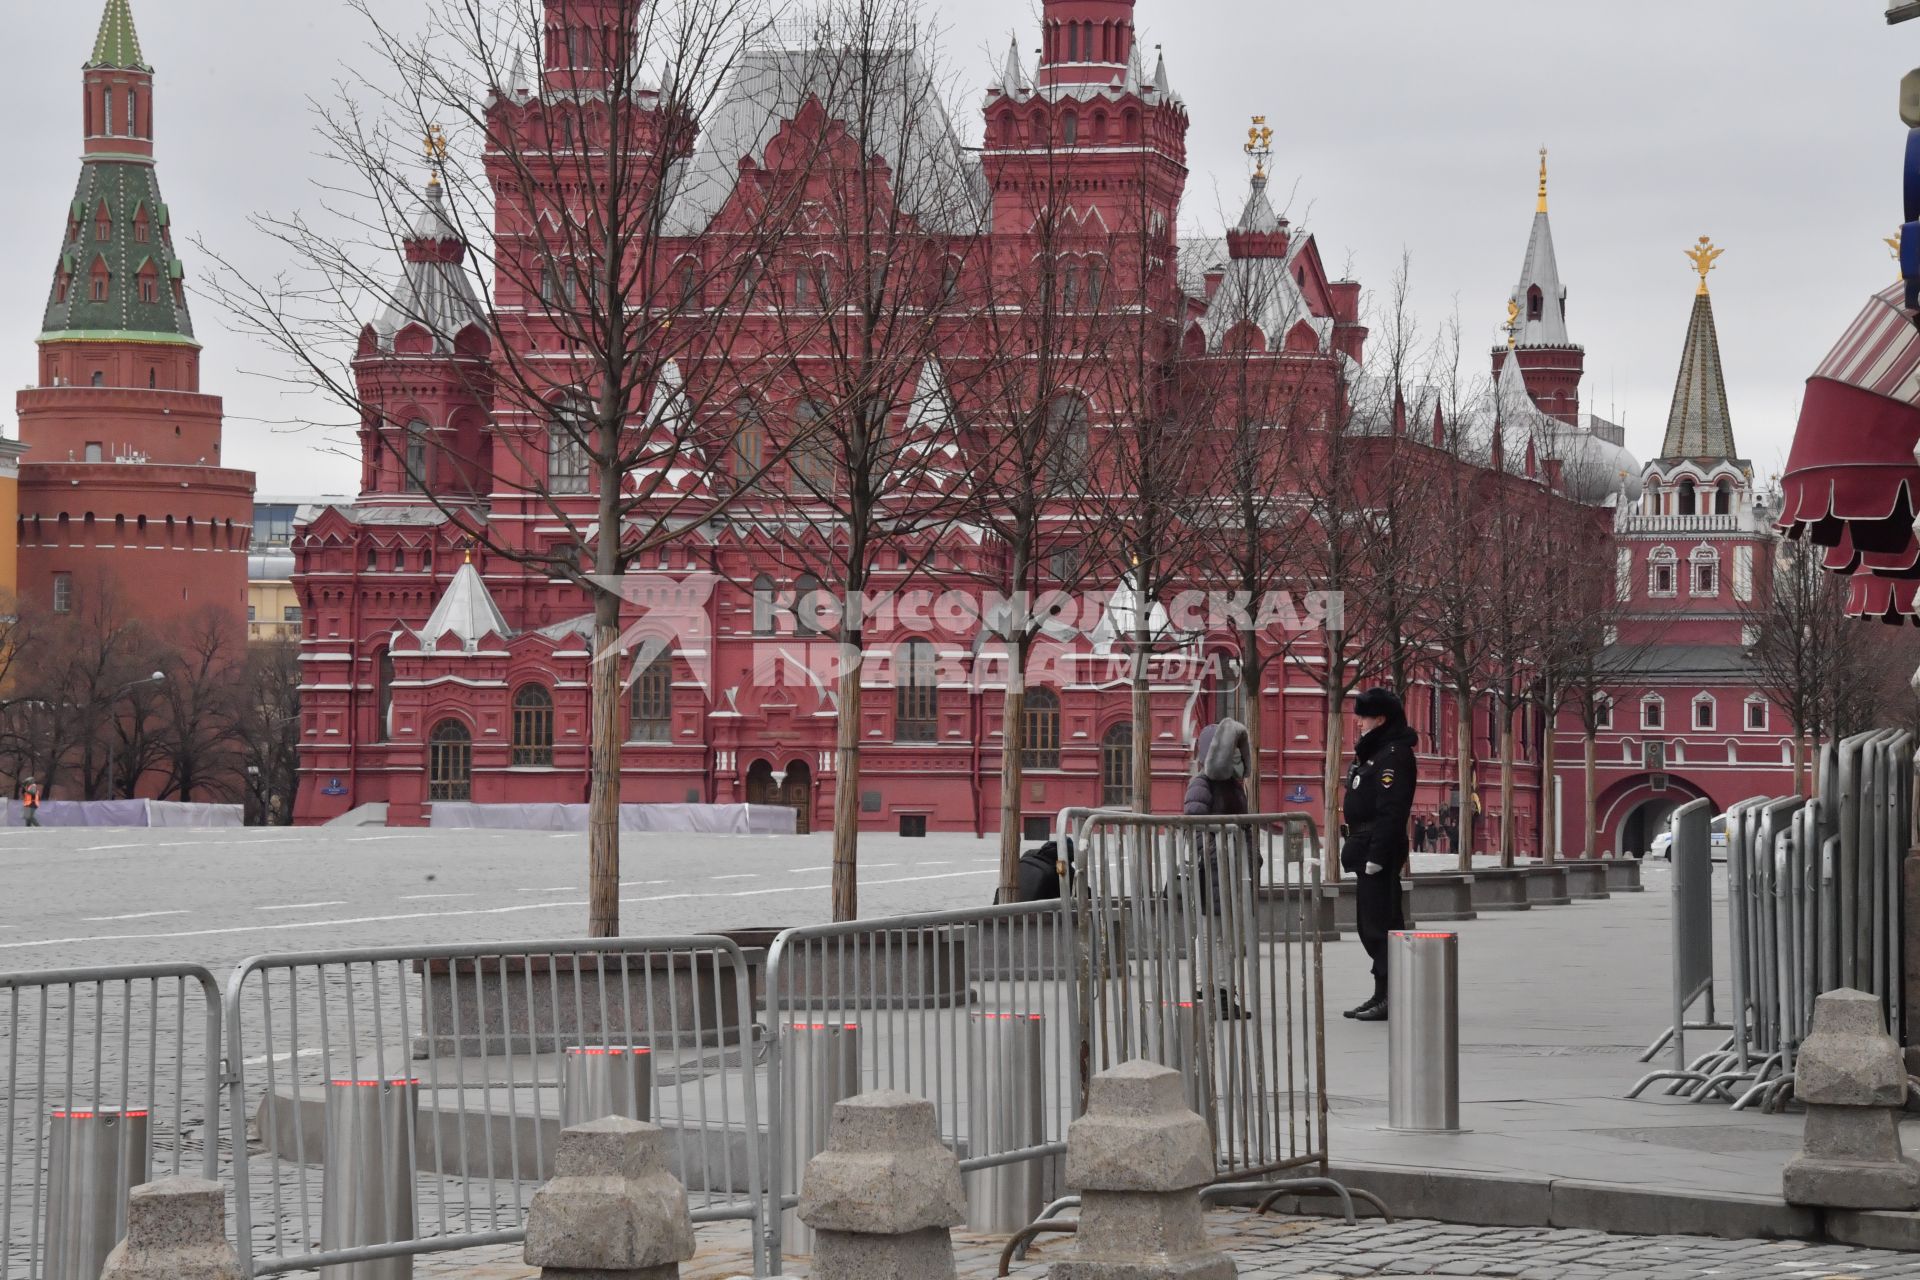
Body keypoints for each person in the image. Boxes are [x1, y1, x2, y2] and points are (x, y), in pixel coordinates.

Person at [1340, 688, 1418, 1023]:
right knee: (1370, 924)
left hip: (1377, 847)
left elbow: (1392, 810)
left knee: (1381, 924)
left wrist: (1378, 853)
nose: (1357, 722)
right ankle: (1381, 991)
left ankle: (1391, 994)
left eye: (1364, 716)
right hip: (1365, 844)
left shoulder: (1393, 756)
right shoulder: (1375, 753)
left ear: (1381, 719)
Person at [1183, 717, 1252, 1019]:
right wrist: (1213, 853)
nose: (1237, 754)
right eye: (1232, 748)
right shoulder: (1201, 784)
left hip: (1230, 868)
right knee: (1214, 933)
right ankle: (1216, 993)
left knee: (1220, 933)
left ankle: (1213, 991)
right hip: (1212, 869)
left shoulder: (1233, 785)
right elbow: (1195, 827)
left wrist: (1251, 858)